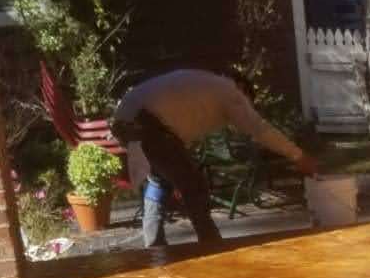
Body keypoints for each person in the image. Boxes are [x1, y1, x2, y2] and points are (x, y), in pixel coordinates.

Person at [112, 69, 319, 248]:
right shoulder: (230, 92)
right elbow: (259, 129)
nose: (246, 108)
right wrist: (298, 155)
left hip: (126, 118)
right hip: (147, 124)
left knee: (160, 181)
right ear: (242, 89)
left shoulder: (208, 86)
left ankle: (153, 246)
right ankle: (210, 245)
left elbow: (178, 125)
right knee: (194, 186)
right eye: (248, 103)